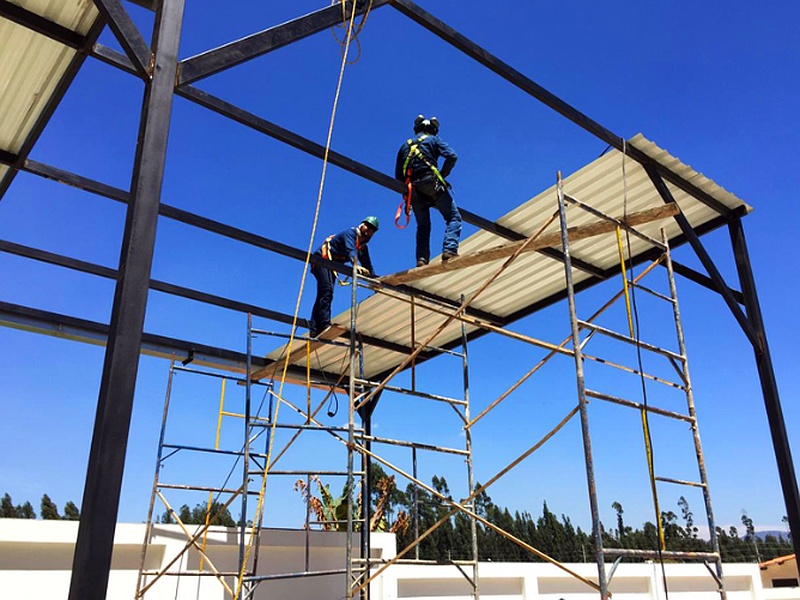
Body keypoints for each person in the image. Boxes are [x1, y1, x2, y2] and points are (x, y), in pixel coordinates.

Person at [395, 115, 461, 267]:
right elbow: (452, 156)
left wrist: (407, 194)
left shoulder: (405, 146)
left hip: (413, 190)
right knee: (453, 217)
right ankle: (449, 250)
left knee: (423, 226)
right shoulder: (434, 140)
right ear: (433, 130)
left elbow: (398, 175)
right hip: (431, 184)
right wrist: (442, 175)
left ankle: (422, 259)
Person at [308, 216, 379, 338]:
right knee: (327, 290)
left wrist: (376, 282)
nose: (369, 230)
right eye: (368, 226)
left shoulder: (362, 248)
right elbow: (351, 251)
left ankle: (314, 328)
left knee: (324, 293)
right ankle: (324, 324)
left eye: (372, 229)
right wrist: (355, 264)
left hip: (331, 265)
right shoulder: (351, 234)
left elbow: (368, 266)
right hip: (321, 260)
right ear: (362, 224)